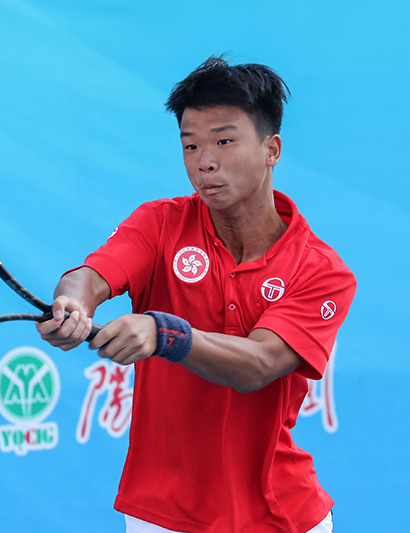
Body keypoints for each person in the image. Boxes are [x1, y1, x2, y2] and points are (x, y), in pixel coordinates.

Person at [36, 56, 356, 533]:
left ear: (271, 149)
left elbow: (259, 365)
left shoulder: (321, 271)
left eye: (224, 141)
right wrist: (73, 304)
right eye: (190, 145)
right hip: (163, 513)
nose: (204, 161)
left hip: (282, 513)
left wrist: (165, 333)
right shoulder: (159, 223)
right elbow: (91, 276)